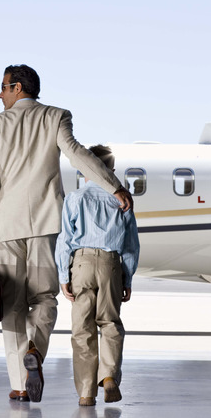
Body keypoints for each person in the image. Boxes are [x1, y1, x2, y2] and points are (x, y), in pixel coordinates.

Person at [0, 64, 133, 403]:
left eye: (2, 87)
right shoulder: (56, 116)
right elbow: (78, 156)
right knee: (44, 298)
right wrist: (113, 186)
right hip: (46, 225)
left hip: (8, 227)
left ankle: (18, 383)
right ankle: (36, 351)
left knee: (12, 305)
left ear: (17, 87)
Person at [55, 145, 140, 407]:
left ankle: (86, 393)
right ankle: (109, 376)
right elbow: (130, 244)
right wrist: (127, 278)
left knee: (83, 330)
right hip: (110, 264)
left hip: (81, 263)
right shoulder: (121, 200)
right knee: (110, 324)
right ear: (112, 171)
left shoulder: (74, 198)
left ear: (85, 171)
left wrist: (63, 274)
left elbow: (65, 240)